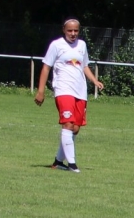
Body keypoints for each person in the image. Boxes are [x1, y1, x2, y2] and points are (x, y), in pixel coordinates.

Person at [35, 18, 104, 171]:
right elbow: (46, 68)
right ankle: (72, 165)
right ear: (64, 30)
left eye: (76, 31)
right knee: (67, 124)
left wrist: (94, 80)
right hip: (63, 89)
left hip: (80, 91)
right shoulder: (56, 45)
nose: (73, 33)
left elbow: (84, 66)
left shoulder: (82, 45)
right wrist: (41, 91)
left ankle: (58, 161)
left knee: (75, 128)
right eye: (70, 30)